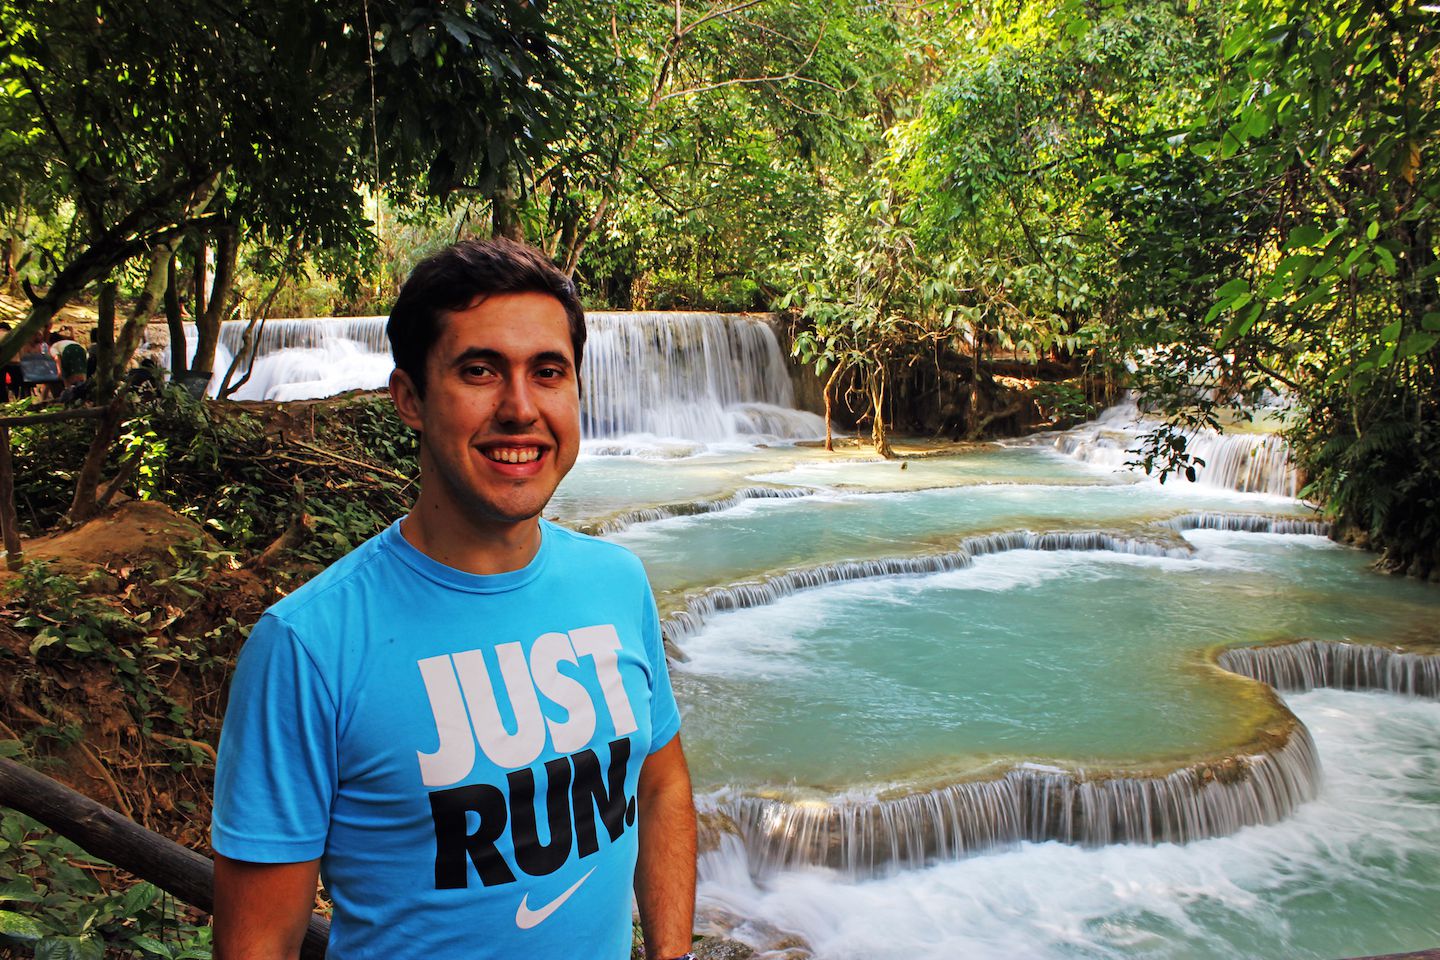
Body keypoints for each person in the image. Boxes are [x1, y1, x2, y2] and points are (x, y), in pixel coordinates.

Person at [210, 238, 697, 960]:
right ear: (410, 398)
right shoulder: (309, 647)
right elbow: (259, 945)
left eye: (549, 372)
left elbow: (661, 787)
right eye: (479, 371)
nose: (520, 408)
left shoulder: (617, 582)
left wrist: (671, 953)